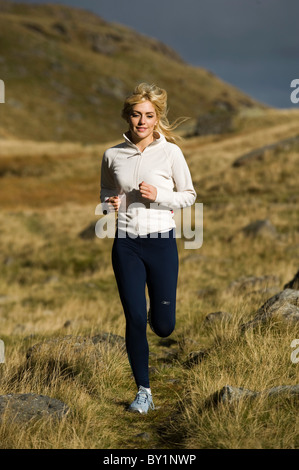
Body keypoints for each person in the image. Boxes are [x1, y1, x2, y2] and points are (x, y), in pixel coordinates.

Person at [100, 83, 196, 414]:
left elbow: (189, 195)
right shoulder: (112, 154)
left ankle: (161, 313)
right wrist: (109, 202)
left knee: (164, 325)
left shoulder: (171, 153)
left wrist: (160, 196)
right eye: (137, 115)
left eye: (149, 116)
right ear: (128, 117)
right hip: (126, 243)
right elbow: (106, 191)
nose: (142, 121)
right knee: (135, 317)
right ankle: (144, 392)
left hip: (161, 242)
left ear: (157, 119)